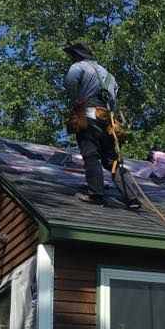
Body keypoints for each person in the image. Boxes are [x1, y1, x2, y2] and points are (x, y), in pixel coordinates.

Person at [63, 42, 140, 209]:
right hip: (107, 119)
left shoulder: (79, 66)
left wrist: (76, 100)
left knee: (91, 154)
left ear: (79, 56)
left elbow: (69, 81)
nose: (72, 58)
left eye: (73, 55)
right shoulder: (109, 76)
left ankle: (96, 195)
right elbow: (113, 102)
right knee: (111, 160)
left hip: (89, 114)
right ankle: (132, 198)